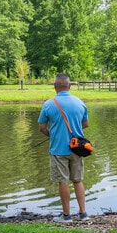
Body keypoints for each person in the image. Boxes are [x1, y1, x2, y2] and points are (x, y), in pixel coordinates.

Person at [38, 73, 90, 223]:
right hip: (78, 148)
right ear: (69, 86)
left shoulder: (48, 104)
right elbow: (85, 124)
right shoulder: (80, 103)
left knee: (63, 181)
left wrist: (52, 136)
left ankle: (66, 216)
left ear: (55, 87)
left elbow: (42, 128)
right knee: (78, 180)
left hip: (58, 150)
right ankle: (83, 214)